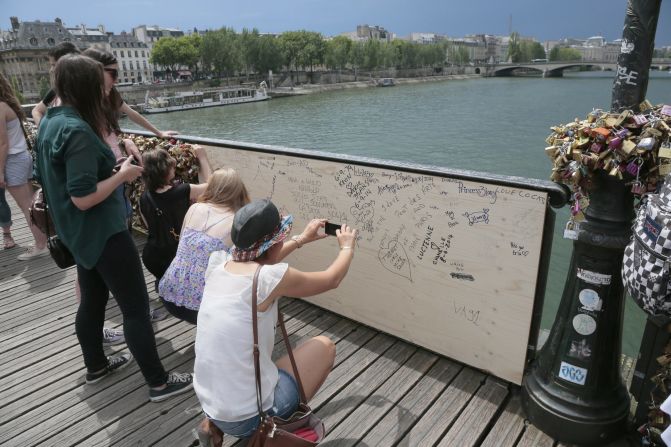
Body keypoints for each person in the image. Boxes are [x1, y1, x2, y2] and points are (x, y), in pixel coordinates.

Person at [34, 54, 193, 402]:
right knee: (135, 309)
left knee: (92, 300)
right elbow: (83, 197)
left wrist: (111, 171)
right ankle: (159, 383)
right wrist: (122, 175)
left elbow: (63, 182)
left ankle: (96, 366)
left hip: (77, 234)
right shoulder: (77, 130)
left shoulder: (49, 123)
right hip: (102, 231)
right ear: (88, 86)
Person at [193, 199, 357, 440]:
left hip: (211, 403)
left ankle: (212, 425)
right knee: (325, 347)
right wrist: (347, 248)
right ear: (272, 245)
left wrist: (301, 239)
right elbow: (331, 279)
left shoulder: (218, 264)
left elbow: (258, 260)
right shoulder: (269, 280)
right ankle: (268, 433)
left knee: (248, 364)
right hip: (250, 417)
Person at [156, 168, 249, 324]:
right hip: (201, 308)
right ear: (239, 190)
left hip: (169, 294)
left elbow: (183, 246)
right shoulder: (237, 222)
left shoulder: (194, 208)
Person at [139, 146, 212, 289]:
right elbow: (212, 185)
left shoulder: (144, 197)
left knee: (166, 283)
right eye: (171, 167)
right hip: (174, 256)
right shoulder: (182, 191)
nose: (174, 168)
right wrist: (202, 157)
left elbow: (149, 226)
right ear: (165, 171)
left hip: (151, 256)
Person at [0, 72, 48, 260]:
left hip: (12, 160)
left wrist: (0, 172)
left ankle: (40, 245)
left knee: (26, 206)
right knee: (30, 203)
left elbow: (3, 144)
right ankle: (42, 239)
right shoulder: (7, 105)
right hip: (21, 157)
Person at [81, 48, 178, 139]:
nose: (116, 80)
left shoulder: (111, 93)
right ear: (95, 71)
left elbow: (131, 113)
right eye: (113, 74)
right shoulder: (78, 103)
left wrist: (159, 133)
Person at [31, 41, 80, 126]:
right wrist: (46, 131)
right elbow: (36, 111)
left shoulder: (85, 92)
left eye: (54, 65)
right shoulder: (56, 90)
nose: (51, 70)